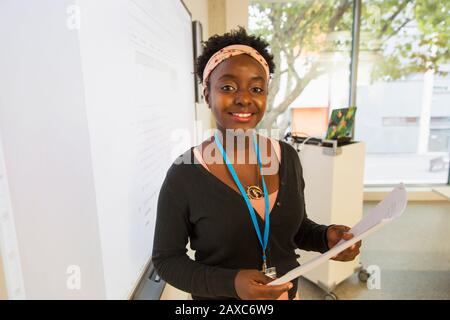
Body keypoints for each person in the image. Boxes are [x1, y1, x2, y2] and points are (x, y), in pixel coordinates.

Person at [152, 27, 361, 300]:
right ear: (206, 94)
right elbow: (167, 260)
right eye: (227, 87)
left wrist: (325, 239)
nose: (244, 98)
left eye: (256, 88)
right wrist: (231, 283)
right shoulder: (185, 173)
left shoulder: (286, 157)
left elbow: (295, 229)